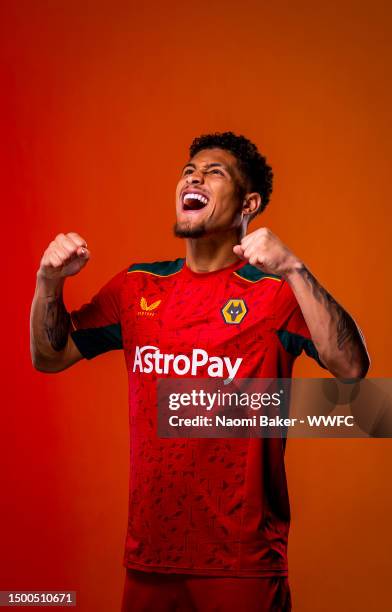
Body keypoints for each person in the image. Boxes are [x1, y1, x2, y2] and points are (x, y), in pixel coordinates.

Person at [30, 132, 369, 611]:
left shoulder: (274, 295)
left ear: (248, 204)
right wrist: (49, 280)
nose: (194, 176)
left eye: (214, 172)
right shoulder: (136, 287)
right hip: (149, 563)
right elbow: (49, 356)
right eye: (189, 170)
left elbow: (352, 367)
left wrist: (294, 268)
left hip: (241, 567)